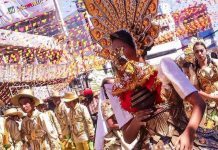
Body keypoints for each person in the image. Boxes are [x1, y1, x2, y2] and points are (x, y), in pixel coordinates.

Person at [83, 0, 218, 149]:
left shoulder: (164, 66)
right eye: (113, 52)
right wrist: (135, 122)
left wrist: (189, 133)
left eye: (121, 49)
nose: (117, 57)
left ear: (136, 44)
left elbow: (199, 103)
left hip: (180, 141)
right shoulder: (118, 89)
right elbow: (128, 137)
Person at [192, 40, 218, 129]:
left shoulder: (216, 63)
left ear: (206, 50)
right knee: (213, 130)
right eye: (196, 52)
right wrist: (213, 98)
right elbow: (197, 90)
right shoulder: (194, 70)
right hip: (209, 103)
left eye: (201, 50)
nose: (199, 53)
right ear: (194, 54)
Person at [100, 77, 131, 150]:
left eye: (115, 84)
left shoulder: (121, 97)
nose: (115, 87)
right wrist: (128, 125)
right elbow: (112, 125)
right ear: (105, 89)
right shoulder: (106, 103)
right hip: (119, 135)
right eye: (111, 86)